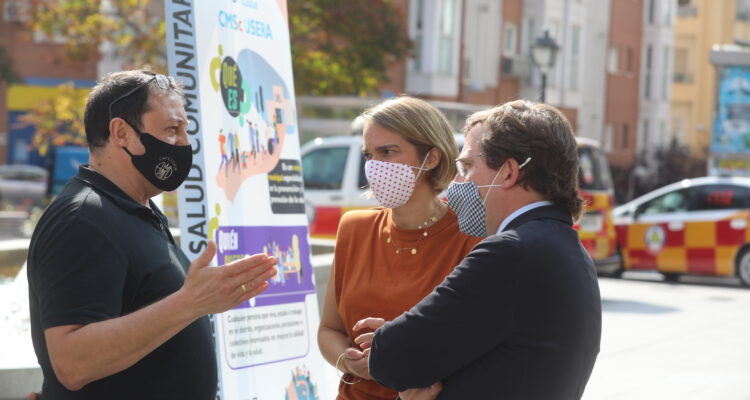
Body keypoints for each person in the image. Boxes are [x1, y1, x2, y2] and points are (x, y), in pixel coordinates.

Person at [26, 70, 277, 399]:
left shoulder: (136, 209)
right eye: (172, 129)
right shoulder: (83, 219)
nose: (185, 143)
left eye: (185, 130)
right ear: (121, 133)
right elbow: (72, 363)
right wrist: (189, 303)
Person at [361, 100, 602, 399]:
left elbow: (391, 359)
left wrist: (388, 340)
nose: (457, 181)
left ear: (508, 172)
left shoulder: (510, 253)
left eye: (467, 167)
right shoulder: (570, 250)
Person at [317, 96, 483, 400]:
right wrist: (349, 362)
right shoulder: (354, 228)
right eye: (368, 155)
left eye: (387, 152)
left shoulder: (470, 240)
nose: (374, 166)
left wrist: (399, 349)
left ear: (431, 159)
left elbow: (473, 349)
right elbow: (329, 330)